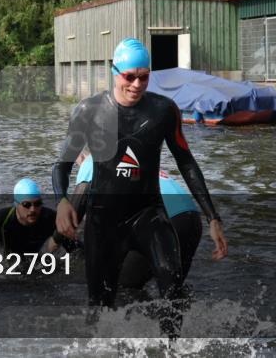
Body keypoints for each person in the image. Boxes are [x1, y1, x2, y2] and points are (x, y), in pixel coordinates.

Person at [52, 38, 227, 334]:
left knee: (172, 291)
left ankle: (172, 352)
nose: (136, 84)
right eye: (129, 77)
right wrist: (62, 201)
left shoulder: (163, 111)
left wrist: (213, 217)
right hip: (103, 222)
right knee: (100, 308)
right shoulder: (88, 111)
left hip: (148, 214)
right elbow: (62, 165)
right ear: (114, 71)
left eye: (144, 77)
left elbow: (186, 162)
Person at [72, 152, 203, 290]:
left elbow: (75, 212)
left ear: (81, 155)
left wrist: (54, 244)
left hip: (167, 219)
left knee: (124, 287)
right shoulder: (135, 160)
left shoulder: (92, 162)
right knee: (173, 294)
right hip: (192, 218)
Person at [0, 178, 63, 256]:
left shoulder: (50, 218)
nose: (33, 209)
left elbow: (75, 251)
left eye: (37, 204)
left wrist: (57, 238)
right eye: (26, 205)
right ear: (16, 204)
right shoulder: (0, 220)